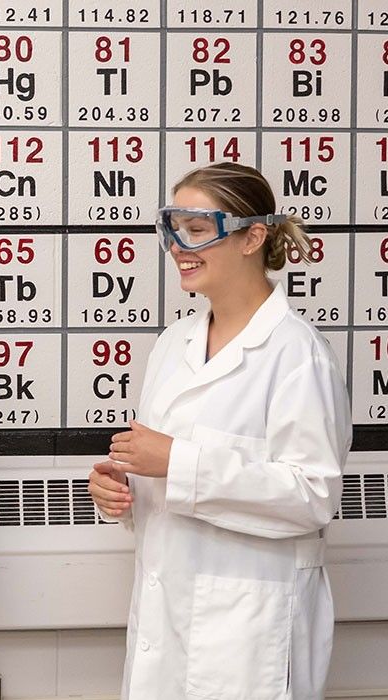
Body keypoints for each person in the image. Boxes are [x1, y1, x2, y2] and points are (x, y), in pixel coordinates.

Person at [89, 161, 352, 699]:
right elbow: (160, 474)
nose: (178, 246)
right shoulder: (172, 343)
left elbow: (314, 494)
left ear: (253, 236)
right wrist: (119, 491)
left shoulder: (297, 354)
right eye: (173, 229)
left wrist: (177, 462)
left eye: (198, 229)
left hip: (248, 637)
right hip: (166, 625)